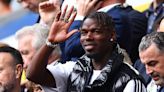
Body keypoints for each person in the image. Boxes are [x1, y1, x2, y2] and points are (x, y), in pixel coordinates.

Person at [26, 6, 146, 92]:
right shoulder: (74, 69)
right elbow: (33, 75)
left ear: (112, 35)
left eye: (96, 31)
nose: (88, 37)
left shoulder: (130, 79)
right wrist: (50, 43)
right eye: (83, 32)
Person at [62, 0, 147, 63]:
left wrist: (79, 17)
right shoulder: (93, 16)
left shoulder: (117, 18)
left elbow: (72, 48)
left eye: (95, 31)